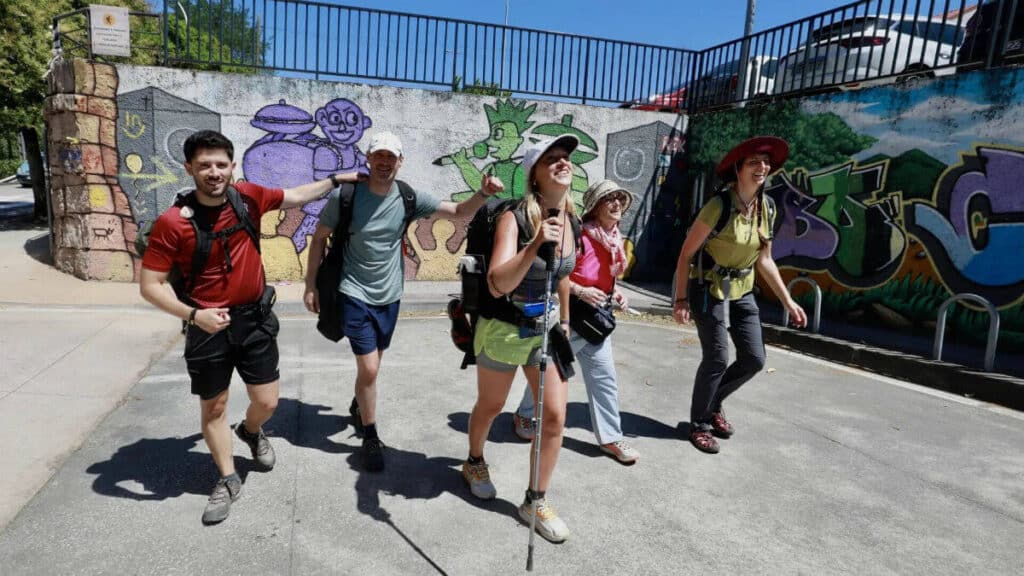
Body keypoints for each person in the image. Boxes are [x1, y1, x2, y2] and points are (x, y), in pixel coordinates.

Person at [139, 130, 362, 524]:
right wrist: (194, 316)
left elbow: (294, 196)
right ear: (189, 168)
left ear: (232, 166)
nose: (213, 172)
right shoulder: (172, 223)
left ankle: (252, 430)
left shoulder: (247, 197)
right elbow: (150, 286)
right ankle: (226, 477)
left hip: (254, 319)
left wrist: (333, 181)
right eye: (204, 165)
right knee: (215, 406)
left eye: (220, 164)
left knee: (268, 402)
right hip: (206, 323)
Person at [304, 131, 503, 472]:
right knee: (368, 368)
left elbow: (456, 211)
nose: (384, 162)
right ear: (368, 158)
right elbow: (319, 239)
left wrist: (483, 193)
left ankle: (360, 403)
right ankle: (370, 434)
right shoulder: (346, 197)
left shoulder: (408, 197)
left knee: (373, 367)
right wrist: (311, 285)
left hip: (391, 294)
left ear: (400, 162)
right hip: (353, 291)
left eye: (391, 157)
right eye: (378, 156)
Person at [460, 135, 579, 544]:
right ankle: (475, 460)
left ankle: (535, 498)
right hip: (504, 327)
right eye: (552, 160)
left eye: (566, 159)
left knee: (555, 417)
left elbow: (561, 275)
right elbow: (496, 283)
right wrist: (534, 245)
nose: (563, 164)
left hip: (543, 333)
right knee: (492, 405)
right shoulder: (515, 218)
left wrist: (563, 322)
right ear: (535, 173)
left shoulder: (571, 219)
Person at [672, 136, 807, 454]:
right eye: (754, 162)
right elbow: (685, 255)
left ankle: (714, 403)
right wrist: (679, 299)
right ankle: (700, 425)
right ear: (738, 168)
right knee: (717, 358)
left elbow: (765, 259)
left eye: (765, 162)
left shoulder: (767, 207)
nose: (762, 167)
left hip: (743, 288)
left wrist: (788, 300)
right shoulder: (718, 205)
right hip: (708, 287)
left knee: (754, 359)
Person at [513, 179, 640, 465]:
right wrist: (581, 290)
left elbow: (602, 277)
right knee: (546, 372)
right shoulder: (578, 236)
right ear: (595, 206)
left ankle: (610, 438)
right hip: (569, 318)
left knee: (605, 381)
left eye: (620, 198)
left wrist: (614, 292)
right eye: (610, 199)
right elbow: (554, 274)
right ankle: (524, 415)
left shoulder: (614, 238)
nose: (617, 203)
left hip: (595, 322)